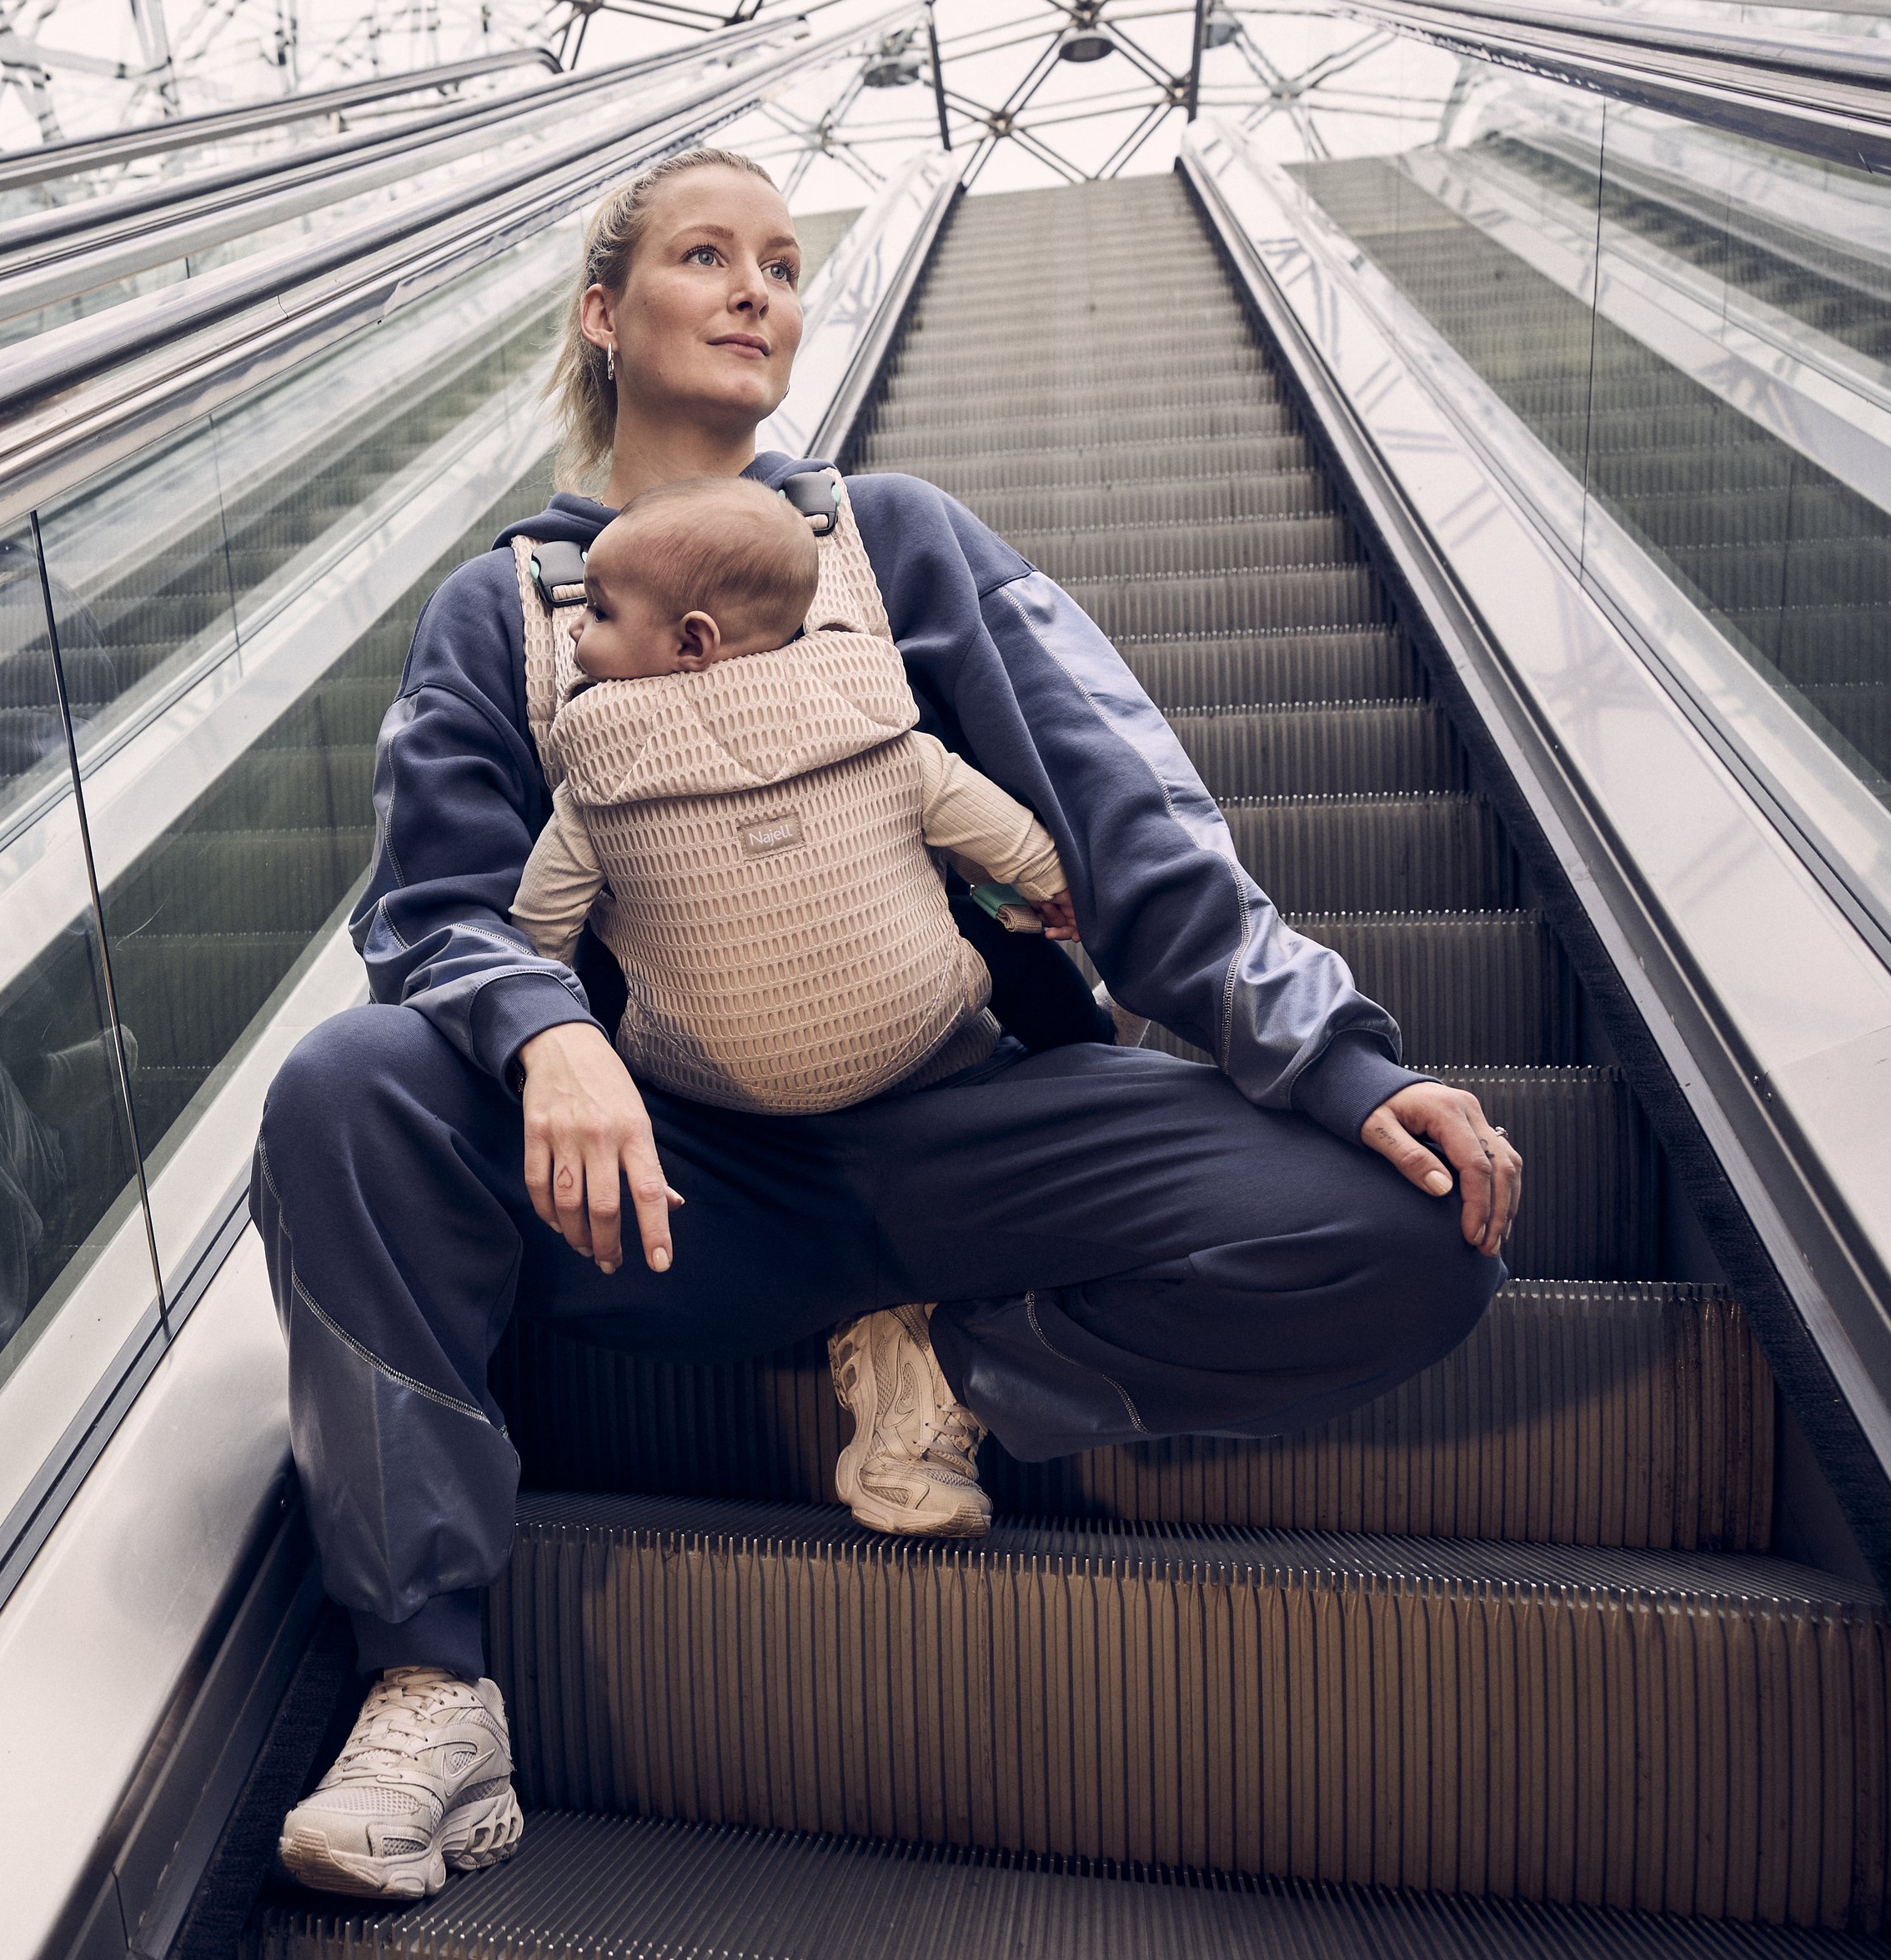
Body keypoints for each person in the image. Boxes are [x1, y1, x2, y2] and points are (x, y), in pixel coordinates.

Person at [258, 145, 1522, 1904]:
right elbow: (433, 908)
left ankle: (960, 1367)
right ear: (607, 315)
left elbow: (1121, 825)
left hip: (969, 1132)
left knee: (1414, 1225)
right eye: (708, 253)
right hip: (678, 1179)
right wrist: (550, 1034)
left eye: (783, 258)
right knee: (348, 1083)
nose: (759, 285)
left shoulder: (897, 536)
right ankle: (432, 1684)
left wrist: (1341, 1058)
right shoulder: (506, 611)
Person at [509, 471, 1073, 1128]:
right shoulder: (888, 735)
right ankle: (1089, 1043)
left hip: (695, 1081)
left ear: (693, 641)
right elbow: (1008, 836)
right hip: (925, 1027)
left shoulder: (597, 785)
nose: (574, 626)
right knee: (988, 922)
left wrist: (546, 1040)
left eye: (601, 611)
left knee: (599, 965)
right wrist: (1056, 887)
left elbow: (540, 931)